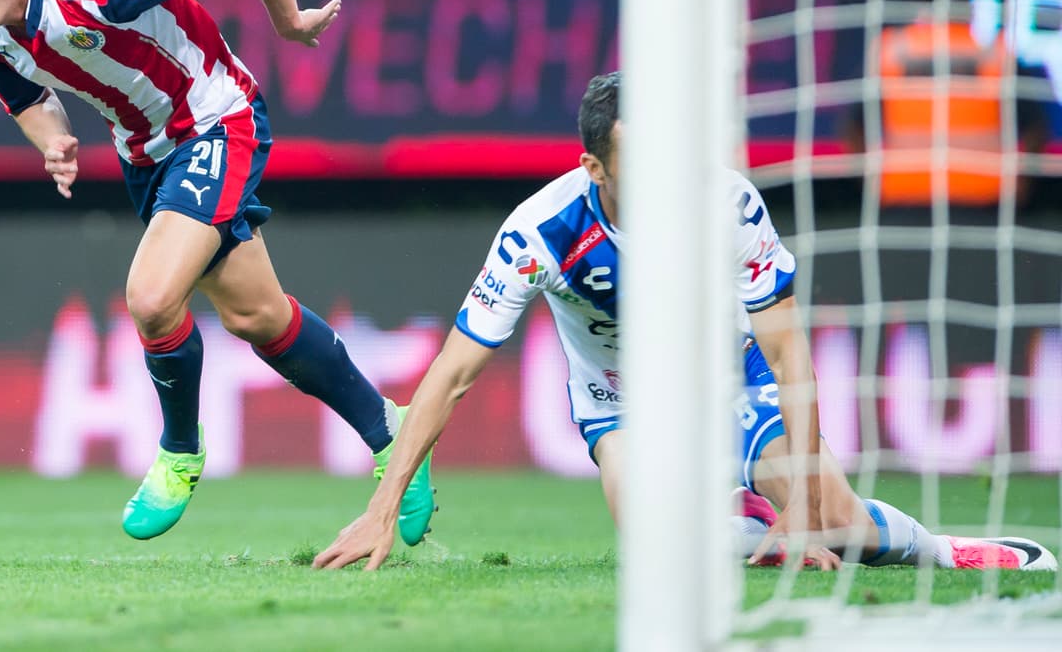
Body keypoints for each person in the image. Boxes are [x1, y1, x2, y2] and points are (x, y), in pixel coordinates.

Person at [313, 71, 1058, 573]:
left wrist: (800, 508)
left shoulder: (724, 203)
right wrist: (382, 510)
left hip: (729, 374)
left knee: (833, 521)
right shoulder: (540, 231)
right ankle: (743, 520)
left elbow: (790, 353)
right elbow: (451, 373)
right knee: (660, 552)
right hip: (621, 397)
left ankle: (944, 552)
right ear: (593, 168)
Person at [0, 0, 434, 544]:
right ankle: (393, 434)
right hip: (147, 156)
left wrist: (288, 21)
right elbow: (22, 95)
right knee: (256, 315)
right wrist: (54, 141)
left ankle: (179, 452)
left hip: (218, 125)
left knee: (153, 297)